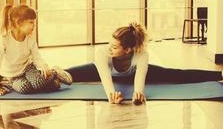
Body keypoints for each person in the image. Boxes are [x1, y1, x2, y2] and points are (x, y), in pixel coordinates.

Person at [66, 22, 223, 104]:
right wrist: (111, 96)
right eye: (110, 43)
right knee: (69, 74)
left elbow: (139, 82)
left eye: (114, 46)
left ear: (128, 50)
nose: (109, 48)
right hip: (104, 71)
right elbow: (106, 79)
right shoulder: (102, 53)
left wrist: (138, 95)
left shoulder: (141, 56)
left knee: (175, 74)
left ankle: (219, 74)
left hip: (132, 73)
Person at [0, 4, 72, 96]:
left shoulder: (30, 39)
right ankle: (52, 82)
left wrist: (43, 66)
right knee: (25, 88)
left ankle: (54, 71)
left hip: (28, 68)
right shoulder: (3, 39)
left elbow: (36, 57)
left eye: (34, 22)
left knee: (38, 83)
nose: (34, 25)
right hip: (12, 77)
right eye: (31, 22)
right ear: (19, 23)